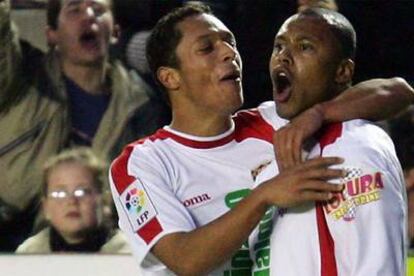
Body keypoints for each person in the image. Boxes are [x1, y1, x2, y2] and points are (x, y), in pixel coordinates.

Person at [109, 3, 413, 275]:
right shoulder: (143, 163)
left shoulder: (280, 122)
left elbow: (399, 91)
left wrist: (320, 112)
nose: (229, 53)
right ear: (170, 77)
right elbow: (186, 260)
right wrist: (264, 195)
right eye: (207, 48)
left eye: (229, 42)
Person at [253, 8, 407, 275]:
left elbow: (377, 269)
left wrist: (320, 112)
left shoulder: (354, 151)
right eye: (279, 46)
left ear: (342, 72)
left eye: (305, 47)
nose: (283, 57)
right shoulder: (274, 138)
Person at [0, 0, 162, 251]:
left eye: (98, 11)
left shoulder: (141, 106)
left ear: (116, 32)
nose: (88, 16)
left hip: (101, 245)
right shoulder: (22, 81)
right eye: (74, 9)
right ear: (51, 34)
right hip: (10, 232)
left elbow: (146, 195)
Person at [16, 147, 130, 253]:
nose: (71, 201)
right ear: (46, 206)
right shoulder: (30, 253)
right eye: (60, 193)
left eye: (82, 192)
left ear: (105, 201)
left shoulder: (128, 254)